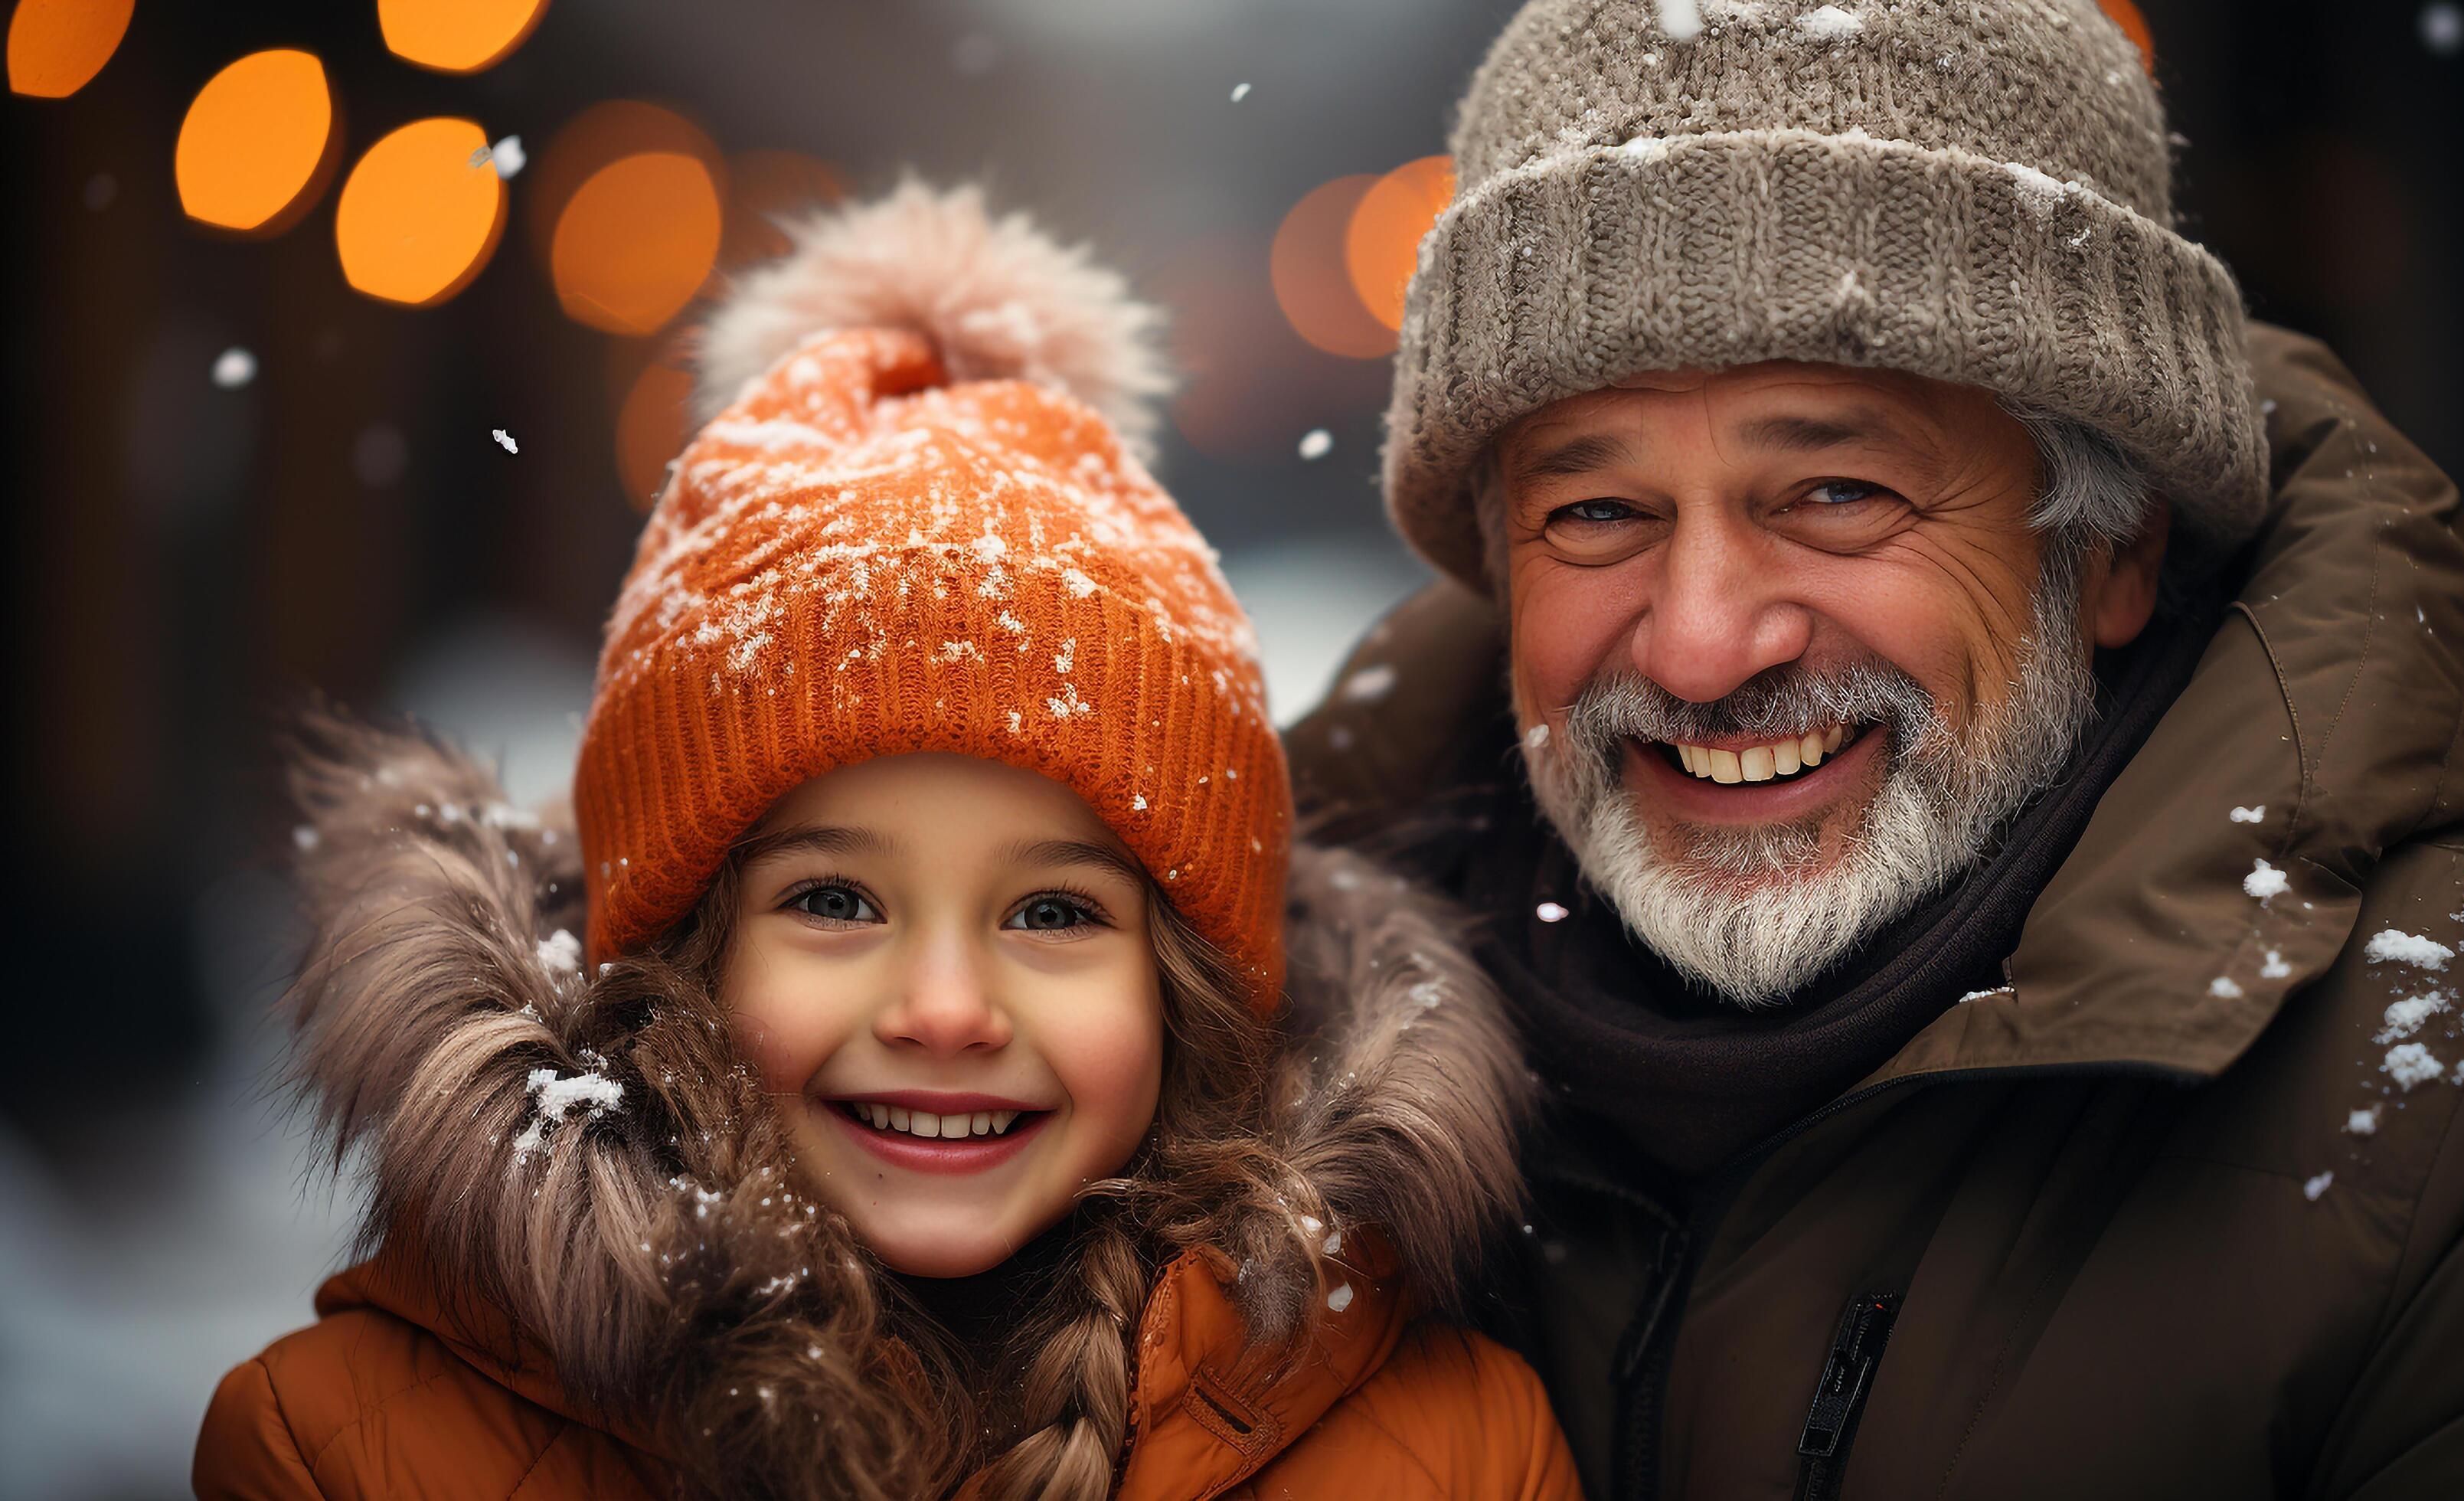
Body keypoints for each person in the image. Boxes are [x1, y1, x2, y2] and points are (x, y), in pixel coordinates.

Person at [1289, 3, 2464, 1498]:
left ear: (2110, 546)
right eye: (1595, 512)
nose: (1696, 647)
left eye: (1834, 490)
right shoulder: (1243, 1064)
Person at [193, 181, 1580, 1500]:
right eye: (837, 899)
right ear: (676, 950)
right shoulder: (342, 1448)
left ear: (1195, 991)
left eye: (1053, 915)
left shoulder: (1454, 1448)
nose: (943, 1011)